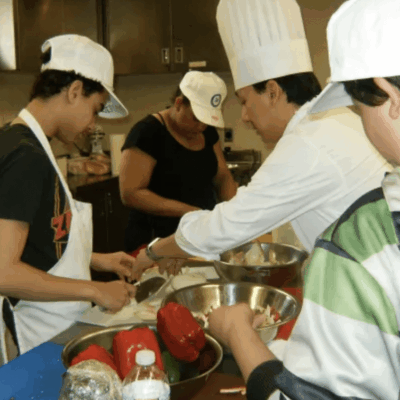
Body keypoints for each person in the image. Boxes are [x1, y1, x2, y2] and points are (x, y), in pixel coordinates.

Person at [208, 0, 400, 399]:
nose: (242, 115)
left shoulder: (361, 243)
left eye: (358, 106)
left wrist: (239, 333)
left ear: (388, 97)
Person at [130, 0, 390, 278]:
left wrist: (156, 250)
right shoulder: (332, 119)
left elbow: (229, 225)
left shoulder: (308, 142)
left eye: (244, 101)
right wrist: (181, 245)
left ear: (272, 91)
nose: (243, 116)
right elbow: (251, 205)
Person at [0, 34, 137, 363]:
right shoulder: (26, 156)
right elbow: (4, 271)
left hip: (58, 330)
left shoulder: (28, 144)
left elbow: (39, 242)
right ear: (75, 91)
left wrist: (96, 260)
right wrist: (95, 289)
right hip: (40, 339)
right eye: (95, 109)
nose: (93, 125)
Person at [119, 71, 237, 253]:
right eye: (196, 119)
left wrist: (233, 213)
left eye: (206, 121)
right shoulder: (147, 132)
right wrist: (191, 212)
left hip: (198, 237)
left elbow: (222, 176)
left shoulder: (207, 132)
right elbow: (131, 193)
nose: (201, 127)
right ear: (179, 103)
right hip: (154, 242)